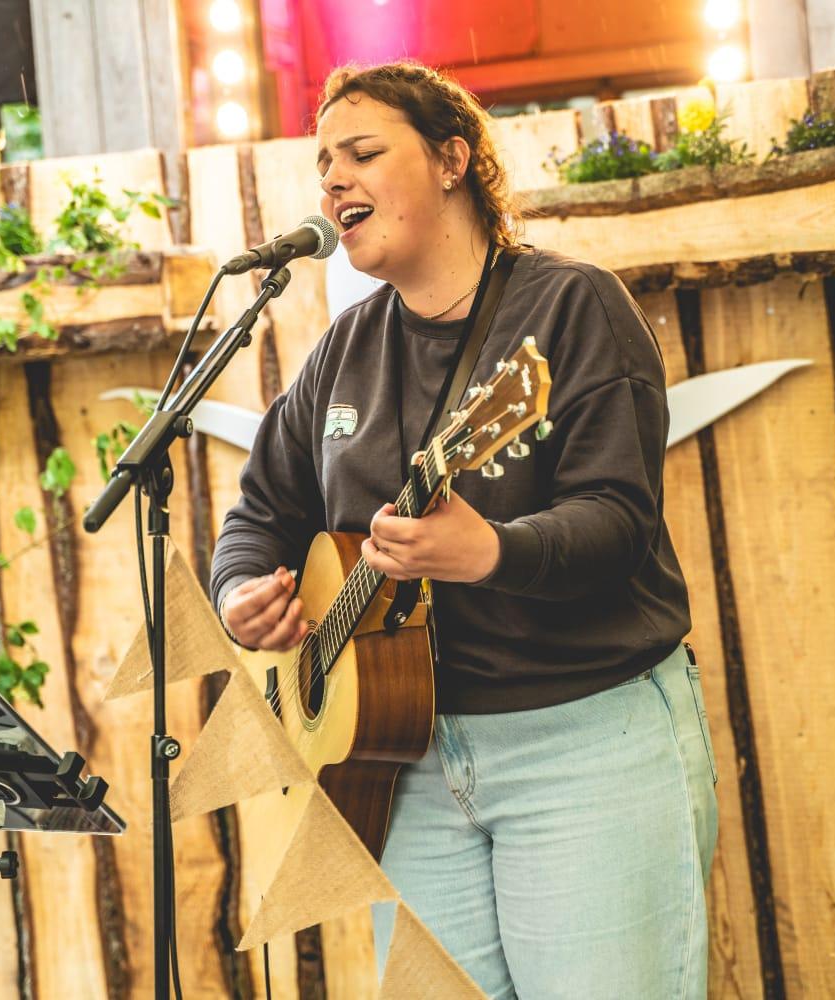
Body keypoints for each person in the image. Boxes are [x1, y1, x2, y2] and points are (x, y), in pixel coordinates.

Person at [210, 61, 718, 998]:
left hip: (584, 746)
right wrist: (242, 594)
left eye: (363, 152)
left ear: (453, 159)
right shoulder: (345, 353)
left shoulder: (570, 309)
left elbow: (619, 521)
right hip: (399, 765)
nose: (334, 180)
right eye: (324, 164)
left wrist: (491, 551)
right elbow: (258, 518)